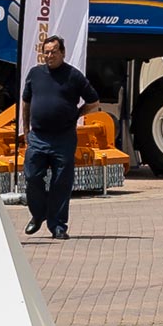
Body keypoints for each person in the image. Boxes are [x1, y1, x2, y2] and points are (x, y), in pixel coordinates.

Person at [19, 34, 97, 240]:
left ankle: (58, 225)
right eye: (46, 52)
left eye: (54, 52)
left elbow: (93, 101)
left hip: (63, 137)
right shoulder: (35, 74)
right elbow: (26, 102)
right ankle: (38, 214)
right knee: (32, 177)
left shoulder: (74, 76)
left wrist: (77, 115)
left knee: (61, 182)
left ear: (63, 53)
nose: (49, 56)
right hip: (38, 137)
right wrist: (25, 131)